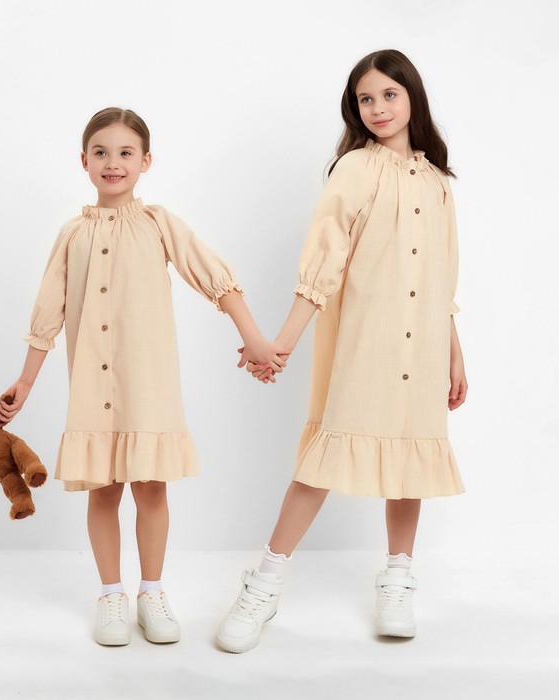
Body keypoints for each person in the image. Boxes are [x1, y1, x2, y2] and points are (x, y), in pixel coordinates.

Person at [0, 107, 286, 647]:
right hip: (93, 386)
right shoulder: (72, 234)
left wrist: (253, 337)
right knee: (103, 490)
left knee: (152, 487)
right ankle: (111, 595)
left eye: (125, 152)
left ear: (146, 161)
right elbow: (48, 311)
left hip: (148, 385)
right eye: (101, 152)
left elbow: (212, 275)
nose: (113, 162)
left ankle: (151, 592)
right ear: (84, 161)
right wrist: (26, 381)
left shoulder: (158, 224)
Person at [217, 49, 467, 653]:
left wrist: (454, 353)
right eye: (365, 99)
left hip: (424, 347)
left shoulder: (437, 183)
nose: (378, 108)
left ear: (412, 96)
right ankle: (264, 581)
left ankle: (398, 579)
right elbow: (323, 265)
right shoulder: (354, 170)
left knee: (409, 462)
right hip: (367, 344)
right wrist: (281, 343)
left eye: (389, 94)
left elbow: (442, 278)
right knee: (323, 461)